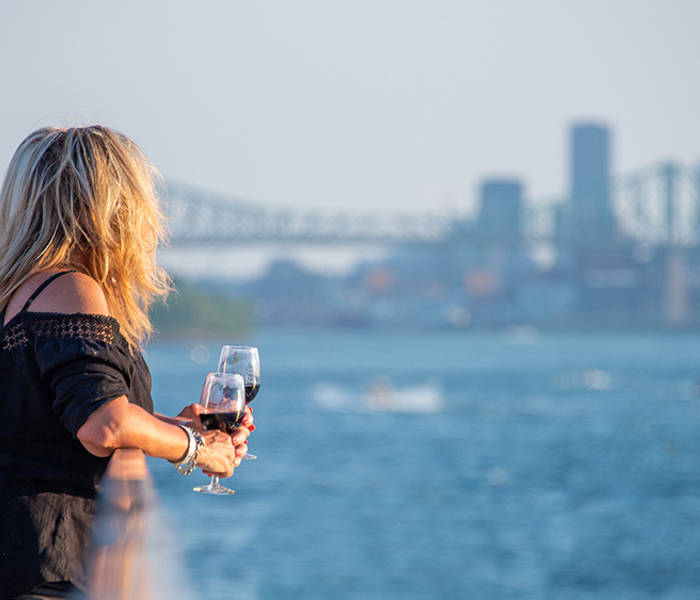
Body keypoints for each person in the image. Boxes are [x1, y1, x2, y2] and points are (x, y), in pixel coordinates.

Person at [0, 126, 253, 599]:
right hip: (45, 569)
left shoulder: (22, 292)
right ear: (117, 207)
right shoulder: (71, 289)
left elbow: (53, 418)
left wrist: (178, 426)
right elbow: (105, 426)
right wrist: (197, 451)